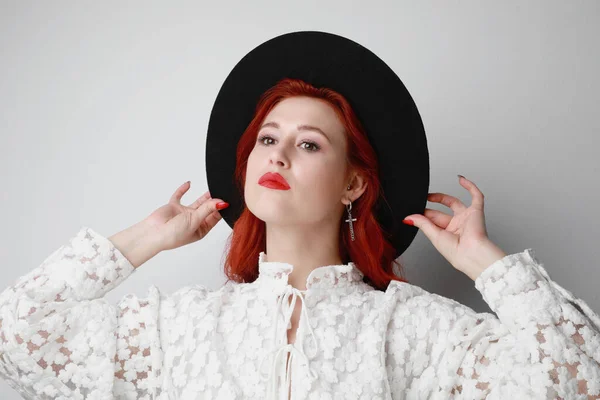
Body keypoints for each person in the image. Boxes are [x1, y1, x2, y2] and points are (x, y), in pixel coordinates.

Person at [1, 31, 600, 400]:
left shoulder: (411, 332)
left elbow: (580, 381)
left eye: (309, 144)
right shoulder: (177, 330)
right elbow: (17, 336)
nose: (278, 154)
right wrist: (144, 240)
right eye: (267, 138)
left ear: (353, 183)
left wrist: (488, 266)